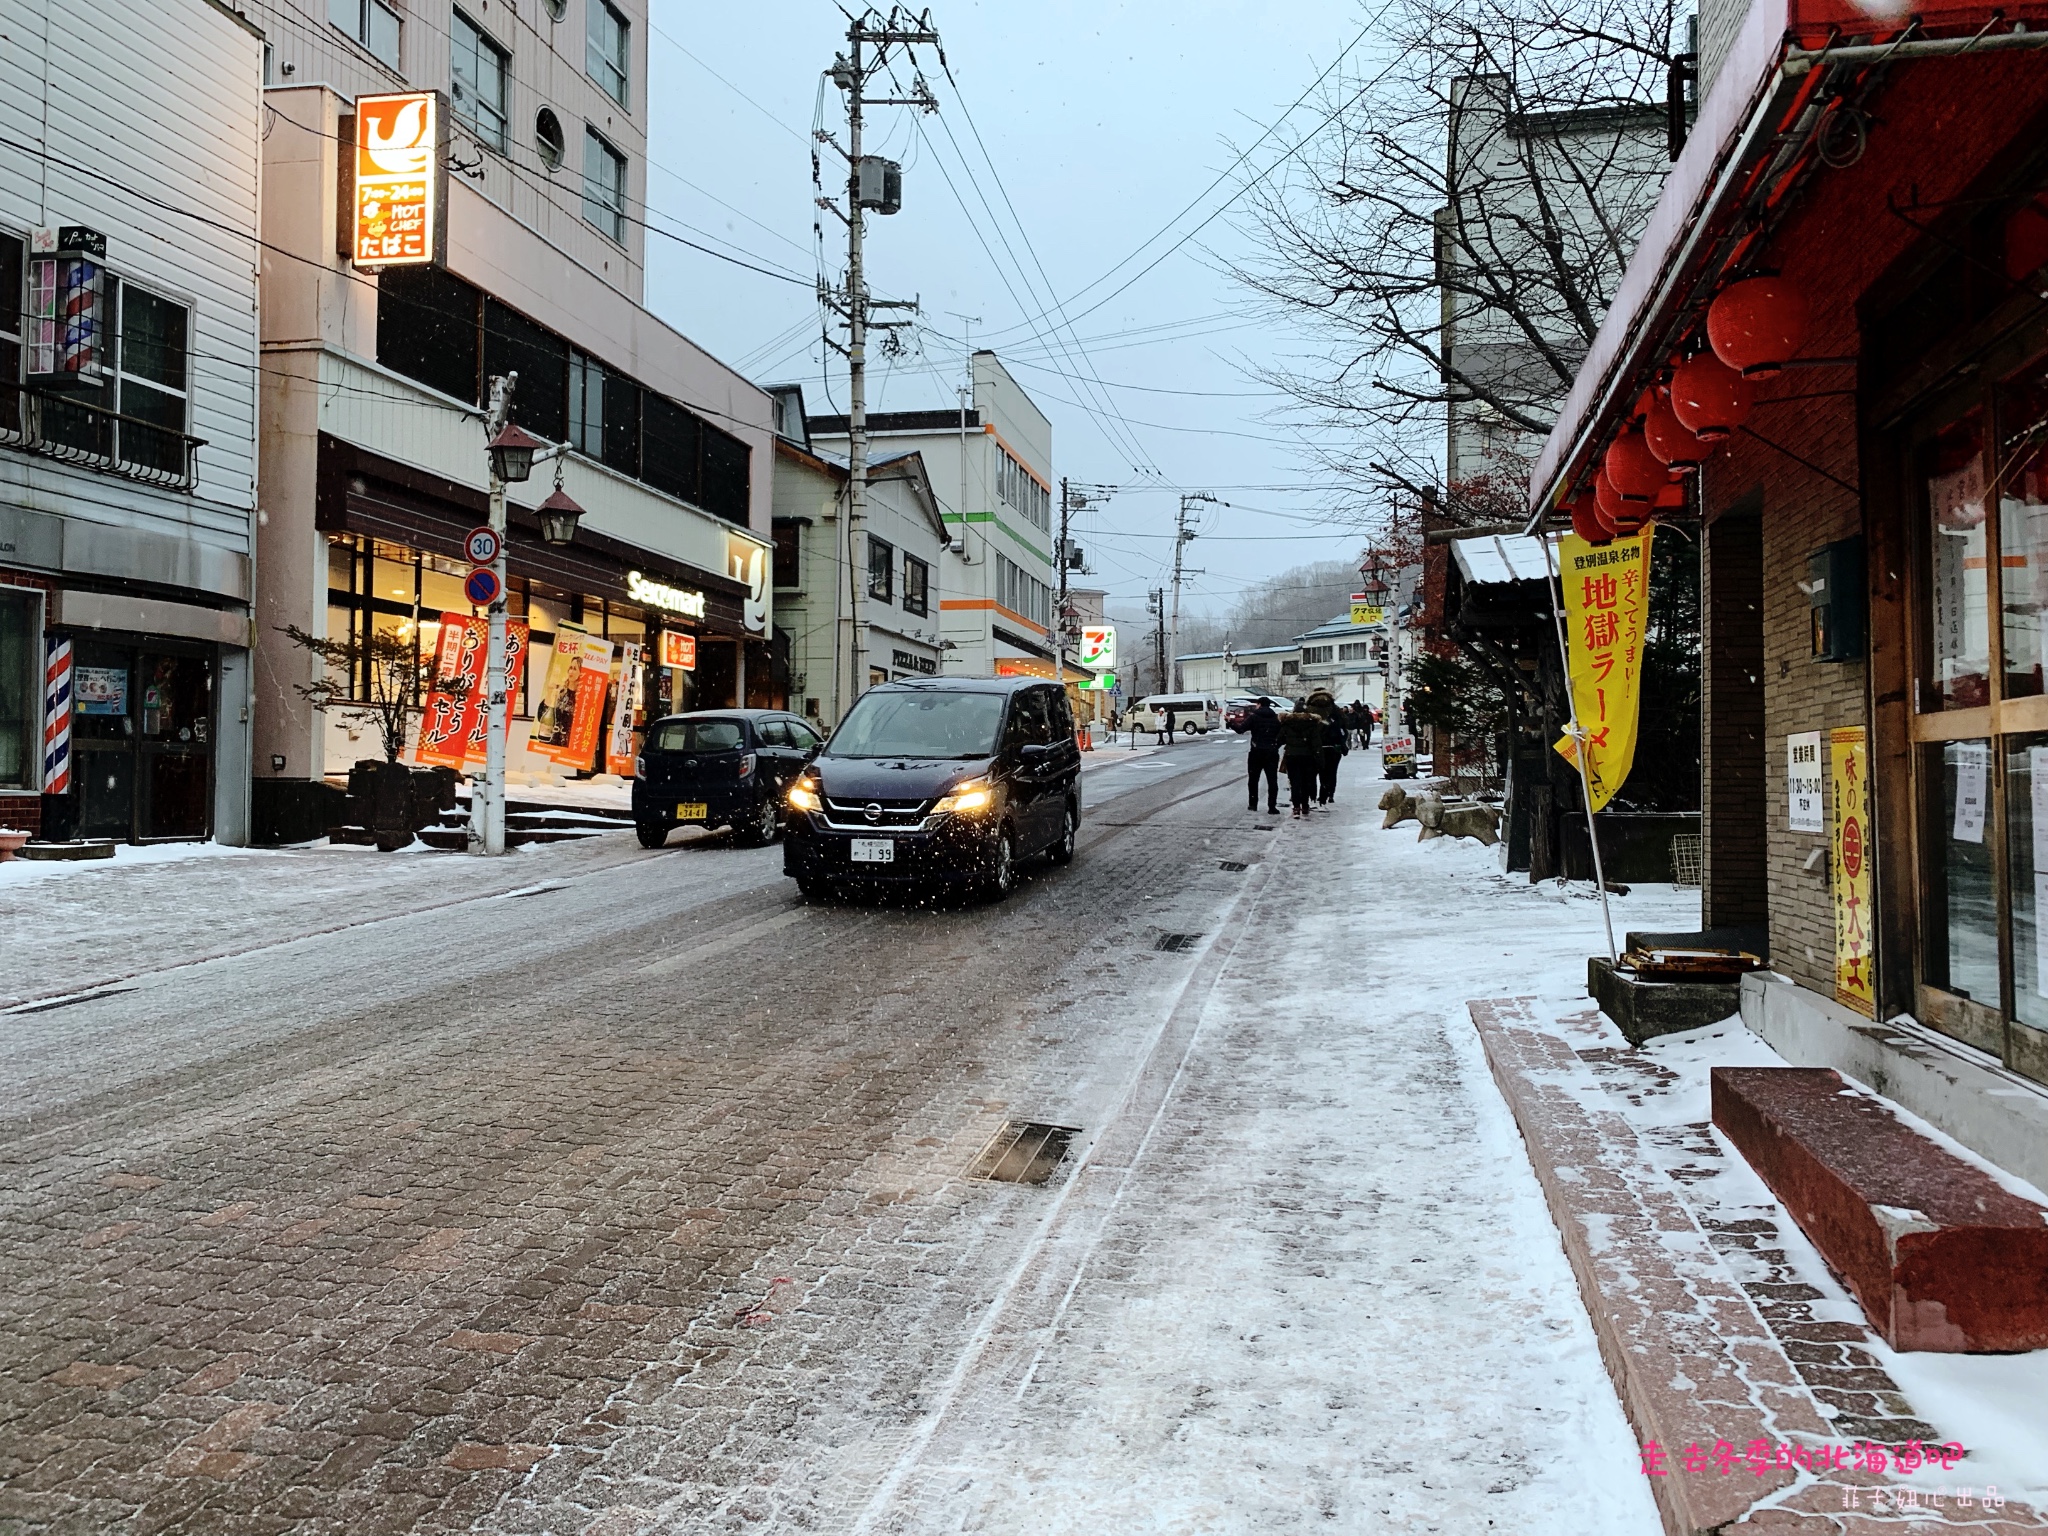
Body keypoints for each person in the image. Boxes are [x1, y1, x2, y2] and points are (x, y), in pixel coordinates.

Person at [1279, 700, 1324, 817]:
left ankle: (1296, 807)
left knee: (1294, 782)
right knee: (1306, 782)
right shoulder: (1312, 723)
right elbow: (1316, 743)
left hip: (1292, 756)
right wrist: (1319, 758)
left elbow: (1279, 739)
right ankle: (1305, 806)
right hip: (1308, 757)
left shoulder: (1287, 723)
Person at [1306, 688, 1347, 804]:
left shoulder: (1309, 709)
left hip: (1313, 747)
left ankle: (1312, 795)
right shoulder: (1334, 709)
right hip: (1333, 747)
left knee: (1312, 773)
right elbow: (1344, 725)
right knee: (1330, 772)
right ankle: (1328, 794)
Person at [1244, 697, 1281, 814]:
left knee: (1253, 779)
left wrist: (1229, 722)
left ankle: (1253, 804)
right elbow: (1282, 735)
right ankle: (1272, 806)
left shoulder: (1254, 717)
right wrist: (1275, 745)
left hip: (1256, 752)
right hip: (1271, 752)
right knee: (1272, 780)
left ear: (1259, 704)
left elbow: (1241, 729)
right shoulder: (1276, 718)